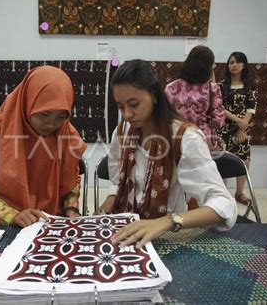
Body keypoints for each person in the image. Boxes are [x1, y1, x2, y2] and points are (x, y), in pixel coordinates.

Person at [98, 60, 236, 248]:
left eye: (134, 104)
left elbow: (224, 204)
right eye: (121, 107)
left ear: (154, 95)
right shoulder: (122, 132)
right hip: (125, 234)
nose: (128, 114)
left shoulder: (184, 138)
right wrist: (106, 207)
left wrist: (167, 221)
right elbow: (117, 183)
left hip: (168, 238)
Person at [0, 66, 86, 227]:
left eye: (61, 116)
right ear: (28, 102)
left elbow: (71, 179)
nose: (51, 124)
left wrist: (71, 208)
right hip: (7, 216)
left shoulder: (67, 133)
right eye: (44, 114)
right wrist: (9, 214)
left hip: (51, 218)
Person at [165, 45, 225, 150]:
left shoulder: (171, 88)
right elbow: (218, 121)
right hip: (203, 143)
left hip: (176, 142)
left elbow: (165, 117)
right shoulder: (212, 89)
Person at [218, 52, 257, 205]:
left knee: (244, 161)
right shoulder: (222, 85)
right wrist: (237, 121)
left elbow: (251, 109)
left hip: (242, 130)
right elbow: (219, 107)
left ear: (244, 65)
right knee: (223, 161)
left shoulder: (250, 86)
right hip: (224, 128)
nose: (234, 65)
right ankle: (222, 193)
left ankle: (239, 193)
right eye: (231, 62)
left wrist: (242, 128)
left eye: (237, 62)